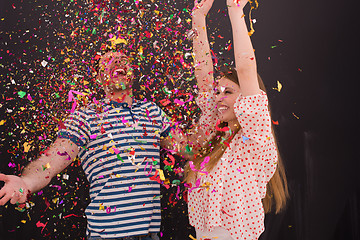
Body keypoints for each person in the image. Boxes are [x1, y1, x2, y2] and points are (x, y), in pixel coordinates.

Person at [0, 46, 178, 240]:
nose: (117, 61)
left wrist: (213, 113)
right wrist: (25, 182)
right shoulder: (87, 117)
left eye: (122, 58)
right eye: (108, 61)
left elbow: (189, 149)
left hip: (150, 235)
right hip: (108, 236)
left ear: (132, 71)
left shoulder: (151, 111)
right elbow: (52, 160)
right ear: (100, 78)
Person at [181, 0, 289, 239]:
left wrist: (235, 10)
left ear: (246, 101)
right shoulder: (216, 135)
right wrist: (198, 19)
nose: (218, 97)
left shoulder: (255, 140)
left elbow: (246, 69)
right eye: (218, 91)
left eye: (228, 92)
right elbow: (203, 72)